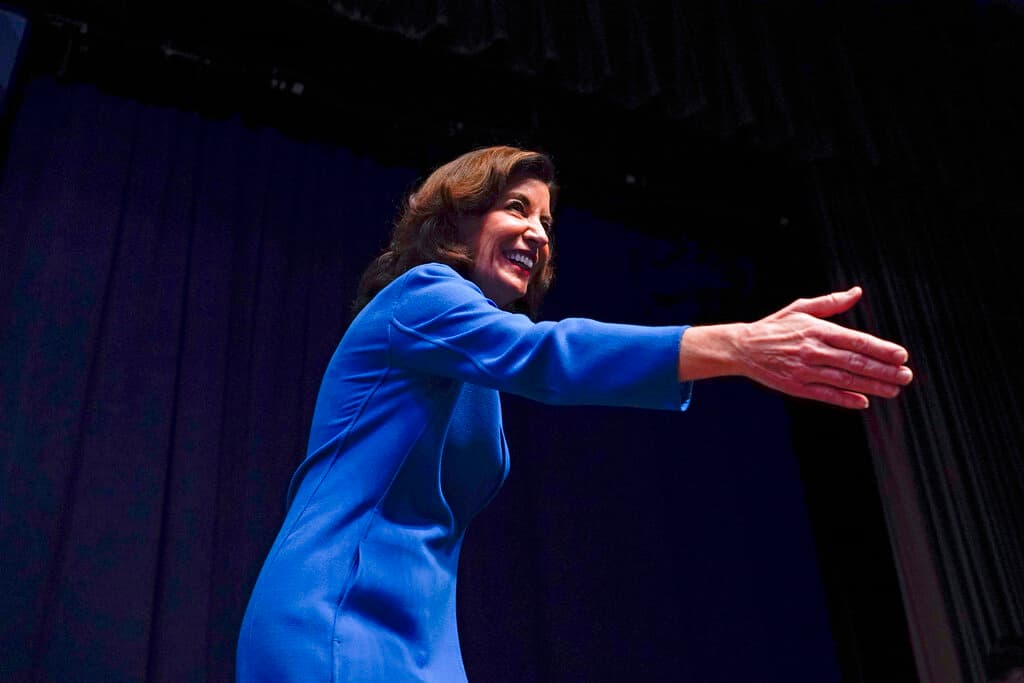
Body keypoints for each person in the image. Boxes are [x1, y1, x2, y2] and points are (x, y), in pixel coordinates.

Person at [235, 146, 913, 681]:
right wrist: (738, 344)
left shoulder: (471, 356)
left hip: (421, 637)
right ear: (456, 217)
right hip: (336, 614)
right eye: (515, 208)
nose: (537, 232)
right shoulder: (421, 297)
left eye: (547, 222)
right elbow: (547, 355)